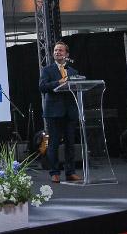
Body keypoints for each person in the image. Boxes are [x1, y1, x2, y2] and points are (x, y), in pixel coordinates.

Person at [39, 41, 82, 183]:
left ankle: (70, 172)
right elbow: (42, 87)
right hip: (53, 113)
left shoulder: (73, 71)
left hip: (70, 112)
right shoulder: (47, 70)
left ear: (66, 54)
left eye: (60, 50)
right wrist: (58, 82)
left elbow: (77, 88)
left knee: (70, 144)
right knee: (53, 143)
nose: (57, 52)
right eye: (56, 50)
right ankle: (54, 172)